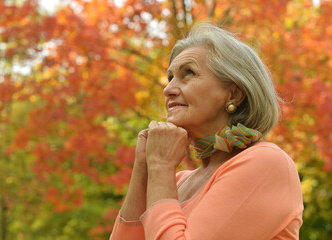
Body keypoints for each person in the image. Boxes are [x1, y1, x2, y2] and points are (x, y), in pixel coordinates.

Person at [110, 23, 303, 240]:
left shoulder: (266, 163)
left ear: (234, 94)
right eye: (170, 77)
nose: (168, 89)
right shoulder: (177, 182)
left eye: (188, 73)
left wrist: (161, 165)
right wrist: (144, 167)